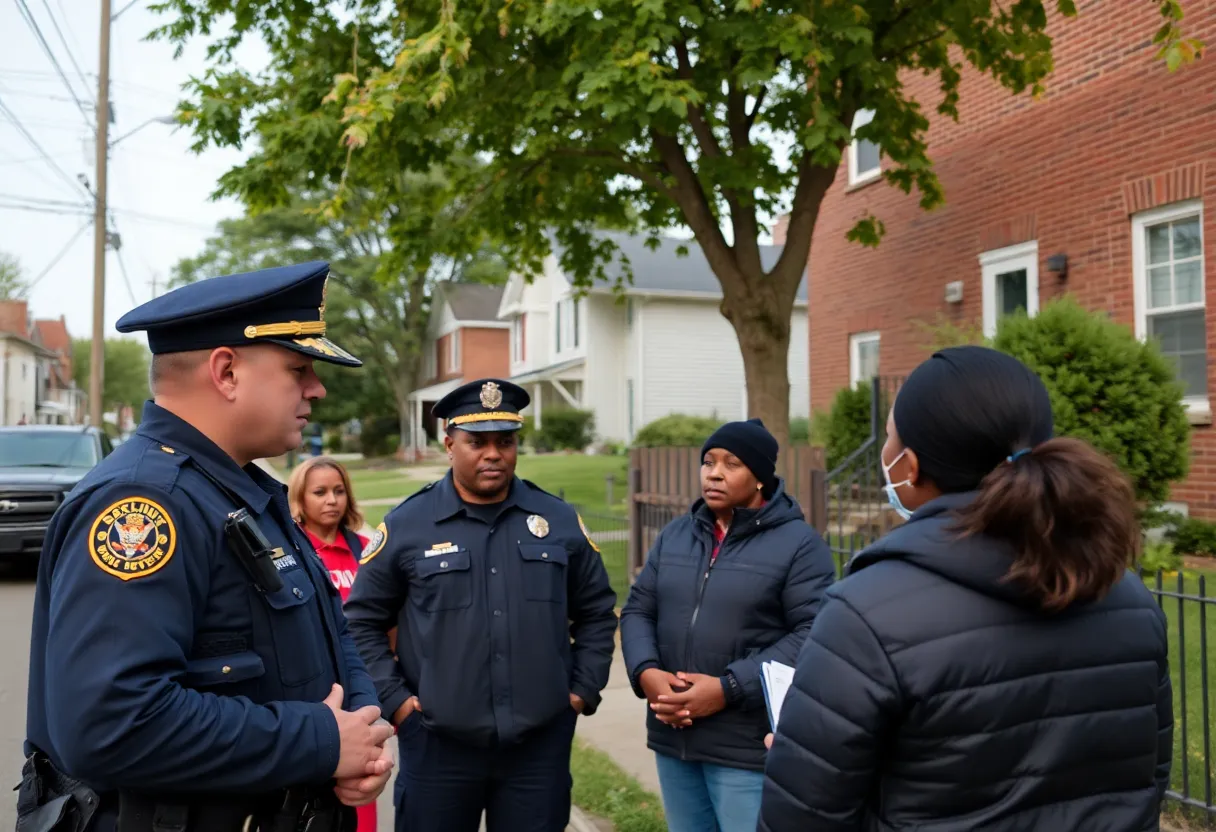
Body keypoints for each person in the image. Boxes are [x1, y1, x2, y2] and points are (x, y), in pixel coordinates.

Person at [21, 261, 396, 832]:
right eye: (298, 368)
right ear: (226, 372)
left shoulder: (241, 490)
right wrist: (319, 741)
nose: (316, 388)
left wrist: (360, 731)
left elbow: (333, 632)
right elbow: (111, 723)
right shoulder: (146, 503)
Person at [759, 346, 1172, 832]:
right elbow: (1147, 781)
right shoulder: (1130, 600)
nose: (884, 451)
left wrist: (801, 757)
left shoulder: (865, 615)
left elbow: (803, 818)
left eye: (889, 438)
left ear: (908, 466)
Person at [344, 378, 618, 832]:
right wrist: (397, 703)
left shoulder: (558, 521)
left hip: (537, 750)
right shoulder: (408, 525)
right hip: (437, 748)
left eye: (505, 441)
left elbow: (596, 612)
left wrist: (580, 692)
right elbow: (360, 621)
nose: (493, 453)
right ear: (450, 444)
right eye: (477, 442)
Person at [619, 418, 835, 832]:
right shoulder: (676, 535)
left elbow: (814, 633)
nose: (714, 472)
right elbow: (638, 610)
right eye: (708, 461)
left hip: (745, 747)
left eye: (731, 463)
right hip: (673, 734)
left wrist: (729, 688)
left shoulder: (800, 546)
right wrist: (646, 673)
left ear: (759, 478)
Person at [287, 455, 380, 832]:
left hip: (365, 694)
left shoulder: (367, 549)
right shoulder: (290, 551)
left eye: (339, 491)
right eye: (320, 492)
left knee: (362, 795)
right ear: (300, 499)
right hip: (312, 700)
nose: (332, 500)